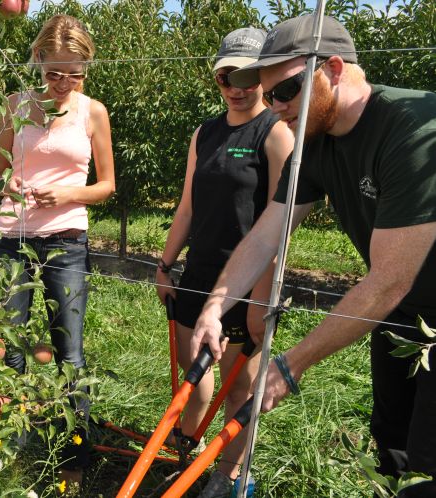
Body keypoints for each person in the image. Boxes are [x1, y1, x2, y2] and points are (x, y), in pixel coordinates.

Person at [192, 14, 436, 497]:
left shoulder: (412, 132)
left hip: (419, 308)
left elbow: (389, 279)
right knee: (392, 447)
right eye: (269, 94)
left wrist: (290, 364)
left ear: (334, 69)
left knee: (427, 472)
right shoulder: (314, 141)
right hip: (403, 317)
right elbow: (267, 234)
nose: (274, 106)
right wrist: (216, 305)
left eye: (285, 91)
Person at [155, 27, 294, 497]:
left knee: (240, 390)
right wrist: (166, 263)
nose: (236, 87)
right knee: (193, 376)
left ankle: (230, 475)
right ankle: (187, 455)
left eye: (248, 77)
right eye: (225, 77)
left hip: (249, 282)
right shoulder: (205, 133)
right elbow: (188, 206)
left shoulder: (275, 135)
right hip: (198, 276)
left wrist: (260, 299)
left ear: (264, 78)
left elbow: (281, 229)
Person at [0, 14, 115, 486]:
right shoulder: (15, 105)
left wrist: (67, 195)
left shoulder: (92, 112)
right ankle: (11, 443)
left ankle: (75, 453)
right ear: (38, 60)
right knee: (12, 346)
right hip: (12, 237)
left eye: (75, 73)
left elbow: (106, 185)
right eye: (54, 72)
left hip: (66, 238)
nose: (63, 82)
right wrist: (10, 187)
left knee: (69, 349)